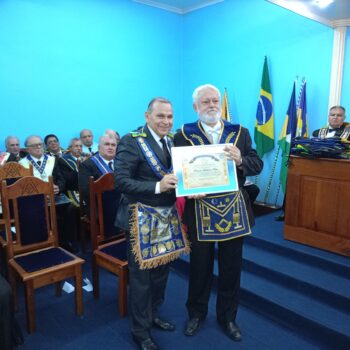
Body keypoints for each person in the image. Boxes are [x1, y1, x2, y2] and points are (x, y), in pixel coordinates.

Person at [174, 84, 263, 342]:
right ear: (196, 107)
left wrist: (240, 160)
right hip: (199, 209)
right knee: (199, 267)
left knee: (231, 268)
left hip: (233, 211)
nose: (212, 105)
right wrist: (186, 189)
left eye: (215, 101)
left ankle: (228, 317)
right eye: (206, 102)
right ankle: (196, 314)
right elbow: (177, 171)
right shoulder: (183, 134)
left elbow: (256, 164)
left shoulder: (241, 133)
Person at [115, 97, 189, 350]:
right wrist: (158, 185)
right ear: (147, 116)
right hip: (140, 218)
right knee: (141, 279)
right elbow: (122, 182)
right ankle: (140, 331)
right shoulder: (131, 141)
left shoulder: (171, 141)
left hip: (166, 217)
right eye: (161, 116)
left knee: (161, 273)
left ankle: (153, 314)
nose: (166, 122)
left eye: (170, 117)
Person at [19, 136, 77, 252]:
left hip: (54, 196)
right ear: (27, 149)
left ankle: (65, 241)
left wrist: (59, 188)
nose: (39, 147)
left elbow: (61, 179)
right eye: (34, 145)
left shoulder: (52, 160)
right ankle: (43, 244)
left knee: (71, 209)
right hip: (35, 199)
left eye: (40, 144)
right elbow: (21, 186)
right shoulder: (22, 164)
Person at [79, 134, 118, 212]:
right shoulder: (87, 165)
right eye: (107, 144)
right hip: (100, 207)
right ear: (99, 147)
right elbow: (86, 191)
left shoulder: (122, 163)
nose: (110, 147)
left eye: (113, 145)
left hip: (122, 204)